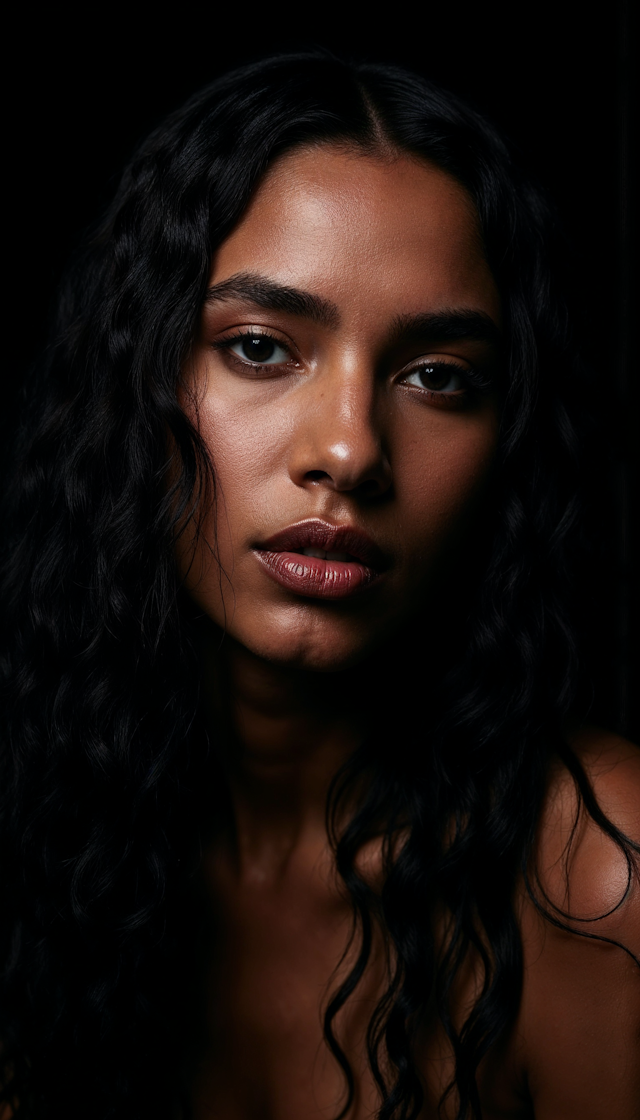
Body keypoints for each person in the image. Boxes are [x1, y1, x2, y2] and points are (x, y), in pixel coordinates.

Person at [1, 51, 638, 1120]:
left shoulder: (594, 877)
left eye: (437, 376)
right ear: (136, 384)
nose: (348, 450)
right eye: (259, 348)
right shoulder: (44, 842)